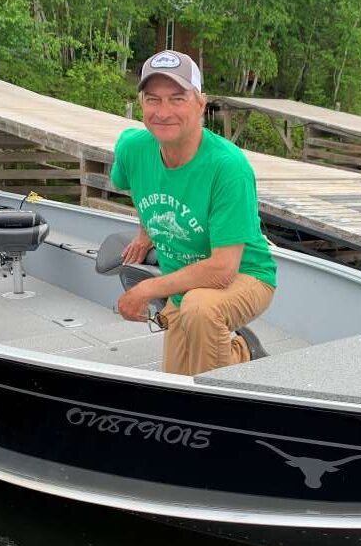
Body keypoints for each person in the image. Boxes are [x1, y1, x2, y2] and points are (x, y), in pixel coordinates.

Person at [110, 50, 277, 376]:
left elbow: (222, 270)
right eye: (153, 99)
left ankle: (242, 353)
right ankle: (231, 356)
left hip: (247, 275)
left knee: (200, 309)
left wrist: (145, 289)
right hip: (185, 285)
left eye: (177, 99)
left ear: (201, 104)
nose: (163, 111)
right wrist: (145, 234)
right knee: (176, 380)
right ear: (141, 104)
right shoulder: (132, 148)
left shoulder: (228, 167)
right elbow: (134, 186)